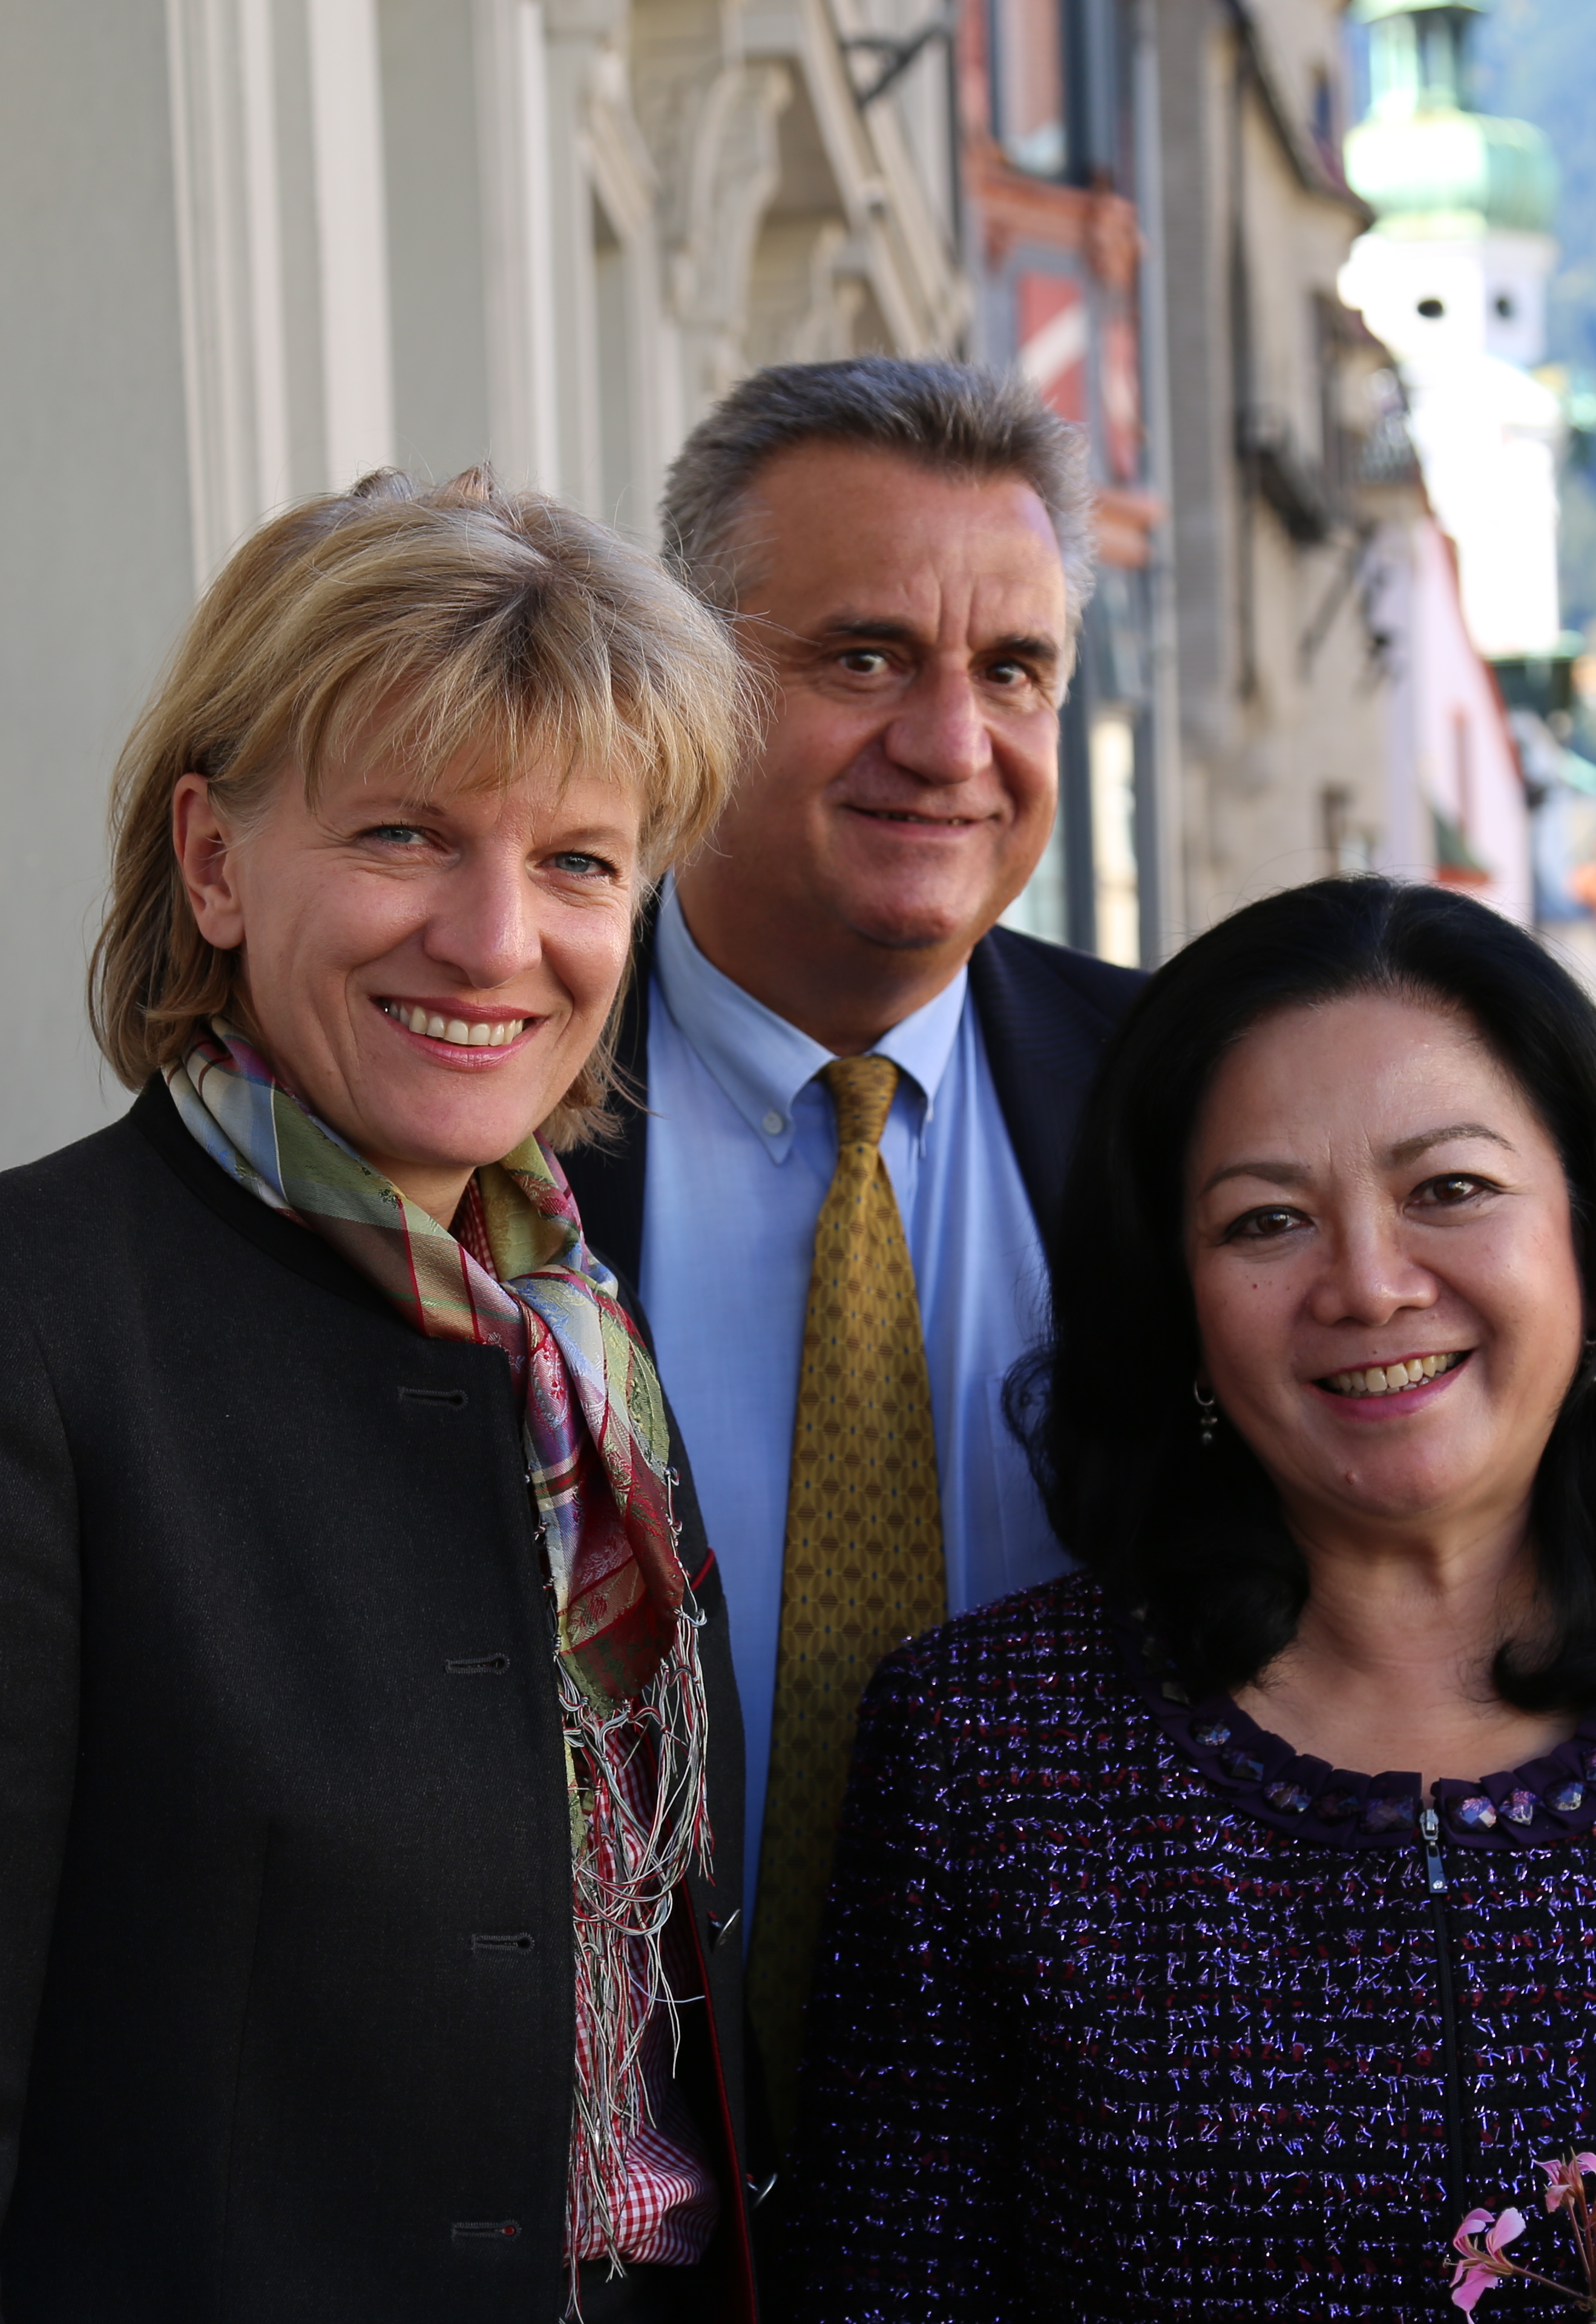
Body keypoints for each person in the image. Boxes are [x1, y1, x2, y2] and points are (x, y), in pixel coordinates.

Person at [0, 470, 761, 2322]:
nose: (500, 941)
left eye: (579, 861)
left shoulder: (582, 1350)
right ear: (213, 859)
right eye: (409, 836)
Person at [787, 878, 1596, 2320]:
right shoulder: (985, 1757)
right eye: (1265, 1222)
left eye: (1450, 1191)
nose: (1368, 1285)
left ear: (1592, 1238)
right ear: (1176, 1298)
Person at [559, 358, 1140, 2125]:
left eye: (1014, 671)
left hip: (1083, 2206)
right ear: (690, 679)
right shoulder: (485, 1109)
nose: (953, 745)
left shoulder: (1191, 1121)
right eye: (865, 656)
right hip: (593, 2203)